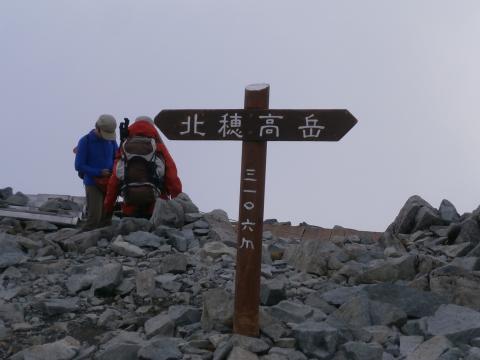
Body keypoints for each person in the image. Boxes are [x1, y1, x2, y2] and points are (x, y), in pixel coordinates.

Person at [103, 116, 182, 218]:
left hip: (129, 207)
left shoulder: (125, 147)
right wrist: (178, 201)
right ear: (152, 128)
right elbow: (172, 177)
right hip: (155, 208)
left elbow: (114, 180)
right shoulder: (158, 147)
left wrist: (108, 208)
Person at [75, 114, 118, 230]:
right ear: (97, 128)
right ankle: (77, 243)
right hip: (93, 183)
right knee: (94, 218)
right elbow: (79, 165)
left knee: (106, 218)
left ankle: (100, 245)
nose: (107, 137)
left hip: (109, 183)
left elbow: (117, 157)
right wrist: (99, 172)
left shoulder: (111, 141)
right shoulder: (85, 141)